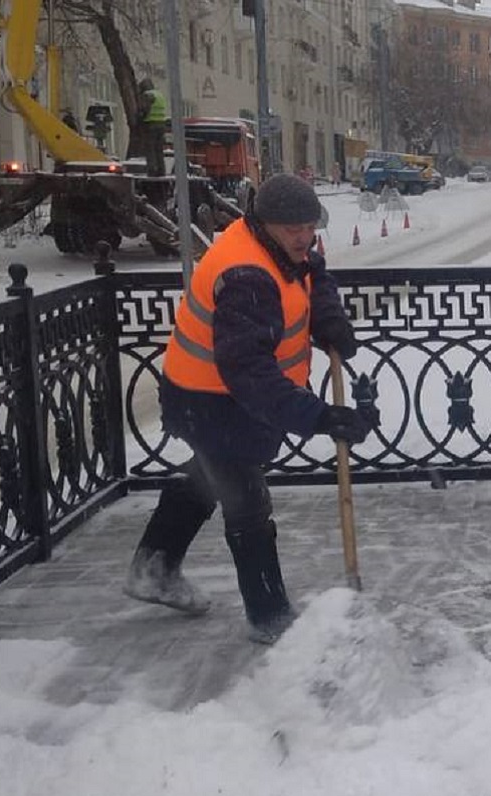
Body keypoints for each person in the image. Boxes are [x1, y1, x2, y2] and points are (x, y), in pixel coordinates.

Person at [123, 174, 371, 644]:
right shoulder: (246, 277)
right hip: (210, 400)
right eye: (292, 228)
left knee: (208, 479)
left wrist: (330, 320)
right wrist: (318, 416)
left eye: (309, 225)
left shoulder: (280, 249)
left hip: (222, 398)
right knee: (246, 500)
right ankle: (269, 616)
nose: (305, 237)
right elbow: (248, 373)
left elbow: (313, 272)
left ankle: (152, 569)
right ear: (264, 225)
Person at [137, 78, 169, 177]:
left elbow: (145, 109)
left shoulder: (147, 95)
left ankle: (152, 170)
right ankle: (161, 170)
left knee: (150, 149)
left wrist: (140, 118)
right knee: (159, 149)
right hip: (161, 125)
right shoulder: (160, 95)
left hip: (151, 125)